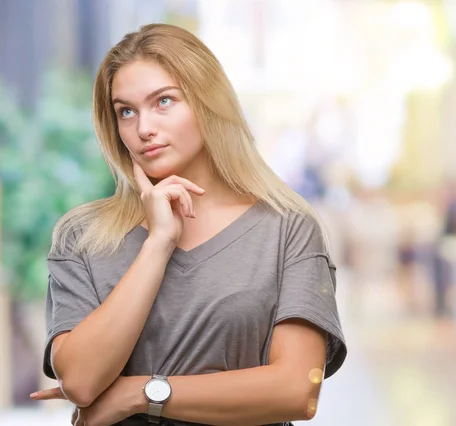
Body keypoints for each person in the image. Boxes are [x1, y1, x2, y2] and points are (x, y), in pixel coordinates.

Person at [29, 23, 346, 426]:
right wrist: (158, 242)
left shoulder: (287, 228)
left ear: (207, 102)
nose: (143, 128)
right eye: (126, 111)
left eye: (163, 102)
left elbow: (296, 391)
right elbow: (81, 381)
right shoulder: (84, 236)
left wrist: (139, 393)